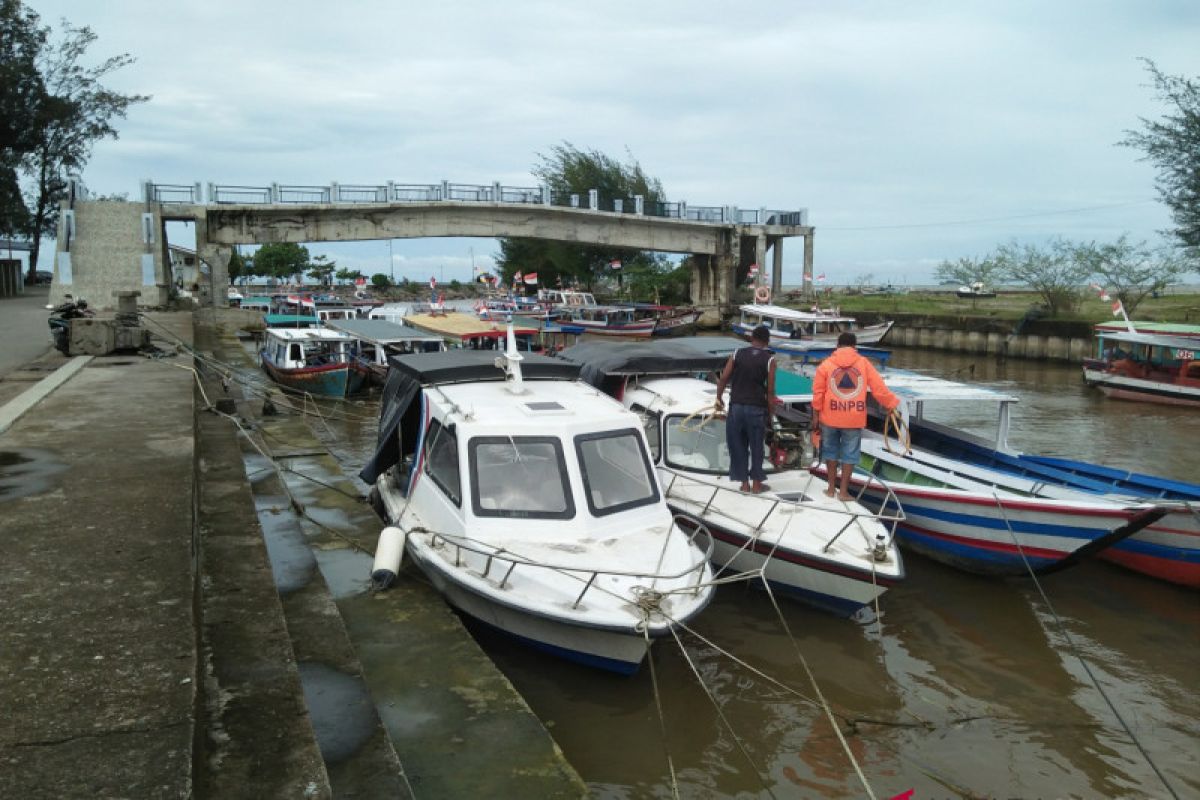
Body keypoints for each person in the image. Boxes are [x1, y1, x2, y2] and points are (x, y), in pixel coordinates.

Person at [811, 332, 901, 500]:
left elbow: (818, 393)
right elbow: (878, 389)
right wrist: (891, 404)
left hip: (830, 418)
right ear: (854, 346)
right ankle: (843, 492)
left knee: (830, 452)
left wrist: (816, 415)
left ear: (837, 346)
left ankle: (831, 489)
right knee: (850, 454)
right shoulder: (864, 364)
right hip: (853, 419)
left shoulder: (826, 365)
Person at [714, 325, 777, 494]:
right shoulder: (770, 359)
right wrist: (770, 414)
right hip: (756, 408)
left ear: (751, 338)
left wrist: (718, 398)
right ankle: (757, 484)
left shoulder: (737, 354)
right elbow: (770, 391)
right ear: (767, 341)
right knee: (757, 446)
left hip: (736, 408)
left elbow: (723, 378)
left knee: (737, 445)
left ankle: (744, 484)